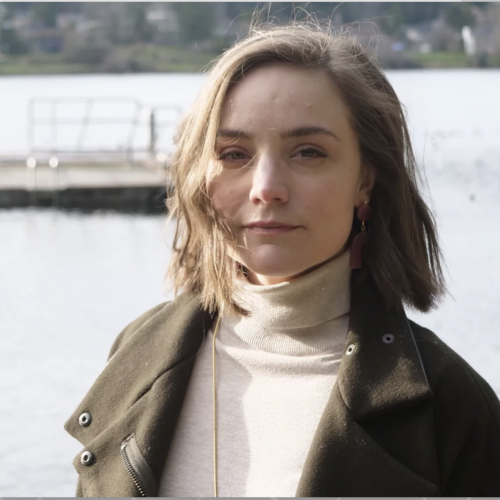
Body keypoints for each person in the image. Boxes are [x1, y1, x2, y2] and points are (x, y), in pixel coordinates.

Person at [64, 21, 500, 497]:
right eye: (233, 154)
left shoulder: (451, 408)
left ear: (365, 180)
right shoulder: (136, 354)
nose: (266, 187)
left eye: (308, 152)